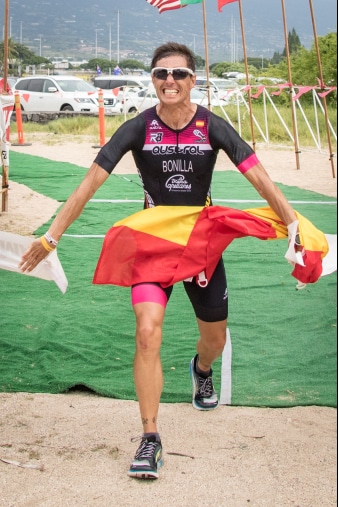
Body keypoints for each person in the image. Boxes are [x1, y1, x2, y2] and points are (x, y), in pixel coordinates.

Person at [19, 42, 299, 480]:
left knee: (215, 339)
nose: (170, 81)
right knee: (147, 331)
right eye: (161, 74)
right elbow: (89, 183)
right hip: (151, 245)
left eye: (179, 75)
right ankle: (150, 438)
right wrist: (51, 238)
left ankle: (201, 368)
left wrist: (295, 228)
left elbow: (261, 179)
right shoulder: (136, 128)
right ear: (152, 80)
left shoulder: (213, 126)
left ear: (193, 81)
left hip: (200, 245)